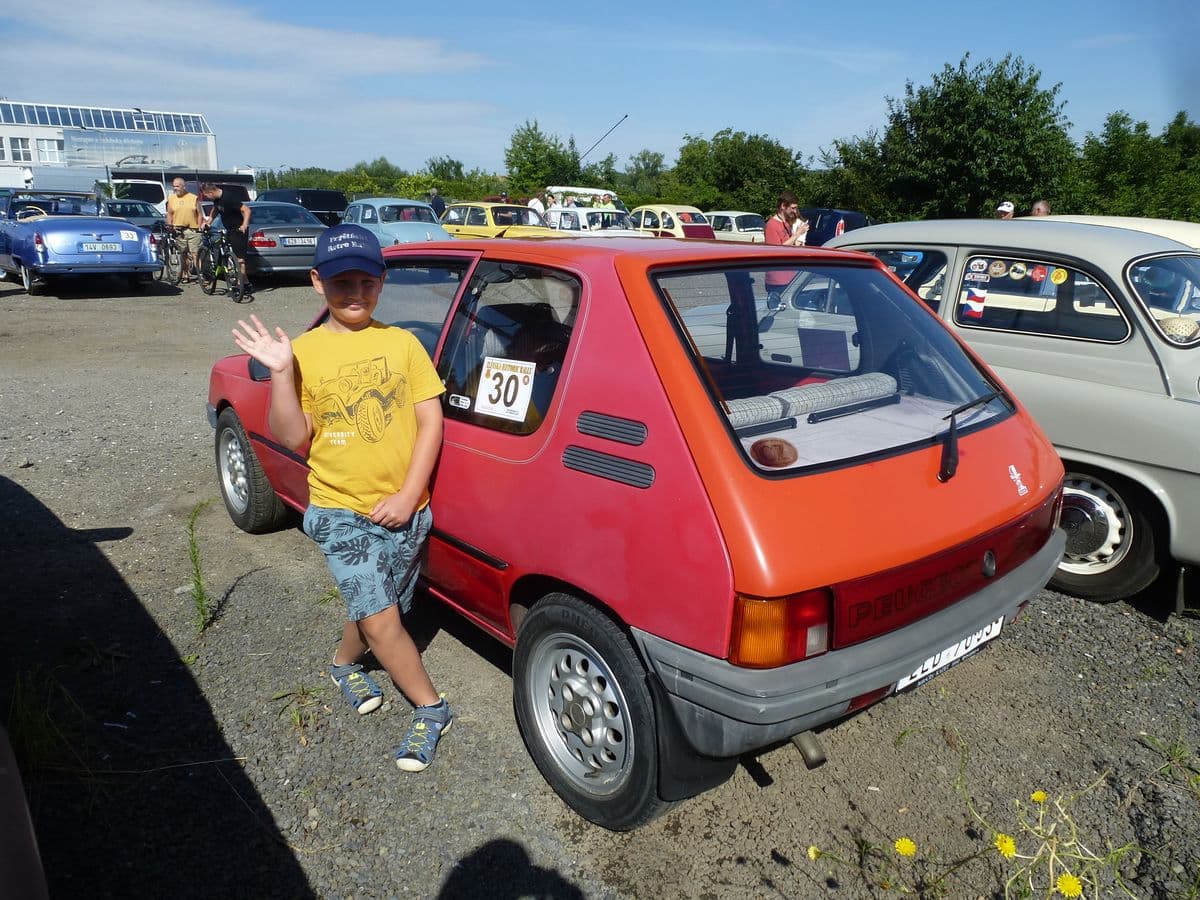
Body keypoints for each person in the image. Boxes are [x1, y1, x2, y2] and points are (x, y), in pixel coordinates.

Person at [230, 224, 453, 772]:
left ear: (381, 282)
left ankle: (341, 666)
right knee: (381, 619)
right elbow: (290, 436)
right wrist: (282, 373)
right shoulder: (301, 352)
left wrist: (407, 496)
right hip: (339, 510)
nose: (354, 293)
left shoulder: (402, 344)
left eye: (365, 282)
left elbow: (431, 421)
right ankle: (432, 708)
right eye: (340, 283)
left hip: (404, 511)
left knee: (381, 607)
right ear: (316, 282)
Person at [200, 182, 253, 294]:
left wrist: (244, 224)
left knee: (240, 260)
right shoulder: (216, 199)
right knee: (221, 250)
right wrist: (209, 221)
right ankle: (246, 284)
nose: (206, 198)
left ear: (211, 192)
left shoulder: (228, 198)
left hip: (238, 229)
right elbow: (215, 210)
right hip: (228, 229)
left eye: (206, 196)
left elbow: (247, 210)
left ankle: (240, 285)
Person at [764, 191, 810, 310]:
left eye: (796, 208)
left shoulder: (786, 224)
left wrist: (799, 243)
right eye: (793, 208)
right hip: (777, 280)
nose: (795, 211)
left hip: (791, 277)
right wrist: (797, 234)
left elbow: (789, 246)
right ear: (783, 206)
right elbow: (777, 251)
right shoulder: (771, 225)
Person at [165, 177, 202, 282]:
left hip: (193, 230)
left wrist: (199, 226)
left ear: (183, 186)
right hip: (179, 230)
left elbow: (199, 214)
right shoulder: (171, 199)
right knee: (183, 254)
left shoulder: (193, 198)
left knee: (195, 253)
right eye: (174, 186)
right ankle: (186, 274)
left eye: (177, 186)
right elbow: (170, 214)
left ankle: (201, 274)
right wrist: (170, 225)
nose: (175, 188)